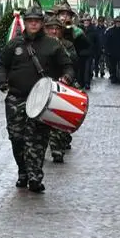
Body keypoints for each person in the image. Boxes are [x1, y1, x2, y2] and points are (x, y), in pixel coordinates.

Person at [0, 7, 74, 193]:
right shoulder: (15, 44)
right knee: (17, 138)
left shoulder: (53, 45)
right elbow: (1, 64)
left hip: (42, 101)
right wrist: (2, 81)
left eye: (37, 21)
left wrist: (66, 78)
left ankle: (35, 176)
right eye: (30, 20)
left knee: (38, 140)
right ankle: (23, 171)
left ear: (42, 23)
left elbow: (68, 66)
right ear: (26, 21)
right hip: (16, 98)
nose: (33, 24)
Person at [43, 17, 77, 163]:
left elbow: (73, 61)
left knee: (58, 119)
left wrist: (60, 48)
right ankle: (41, 148)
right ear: (46, 29)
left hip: (61, 86)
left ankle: (58, 149)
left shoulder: (67, 45)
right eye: (51, 28)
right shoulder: (40, 44)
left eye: (57, 29)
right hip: (43, 86)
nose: (54, 31)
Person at [103, 16, 120, 84]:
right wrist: (107, 51)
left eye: (119, 22)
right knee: (112, 66)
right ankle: (113, 77)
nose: (118, 23)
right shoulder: (110, 31)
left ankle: (119, 77)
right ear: (115, 23)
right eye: (117, 22)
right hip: (112, 52)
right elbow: (106, 42)